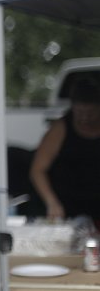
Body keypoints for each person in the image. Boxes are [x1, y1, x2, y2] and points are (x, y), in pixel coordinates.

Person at [30, 77, 100, 224]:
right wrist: (52, 202)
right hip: (66, 209)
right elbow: (37, 170)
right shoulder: (60, 129)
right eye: (80, 112)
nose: (85, 118)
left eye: (91, 112)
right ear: (73, 107)